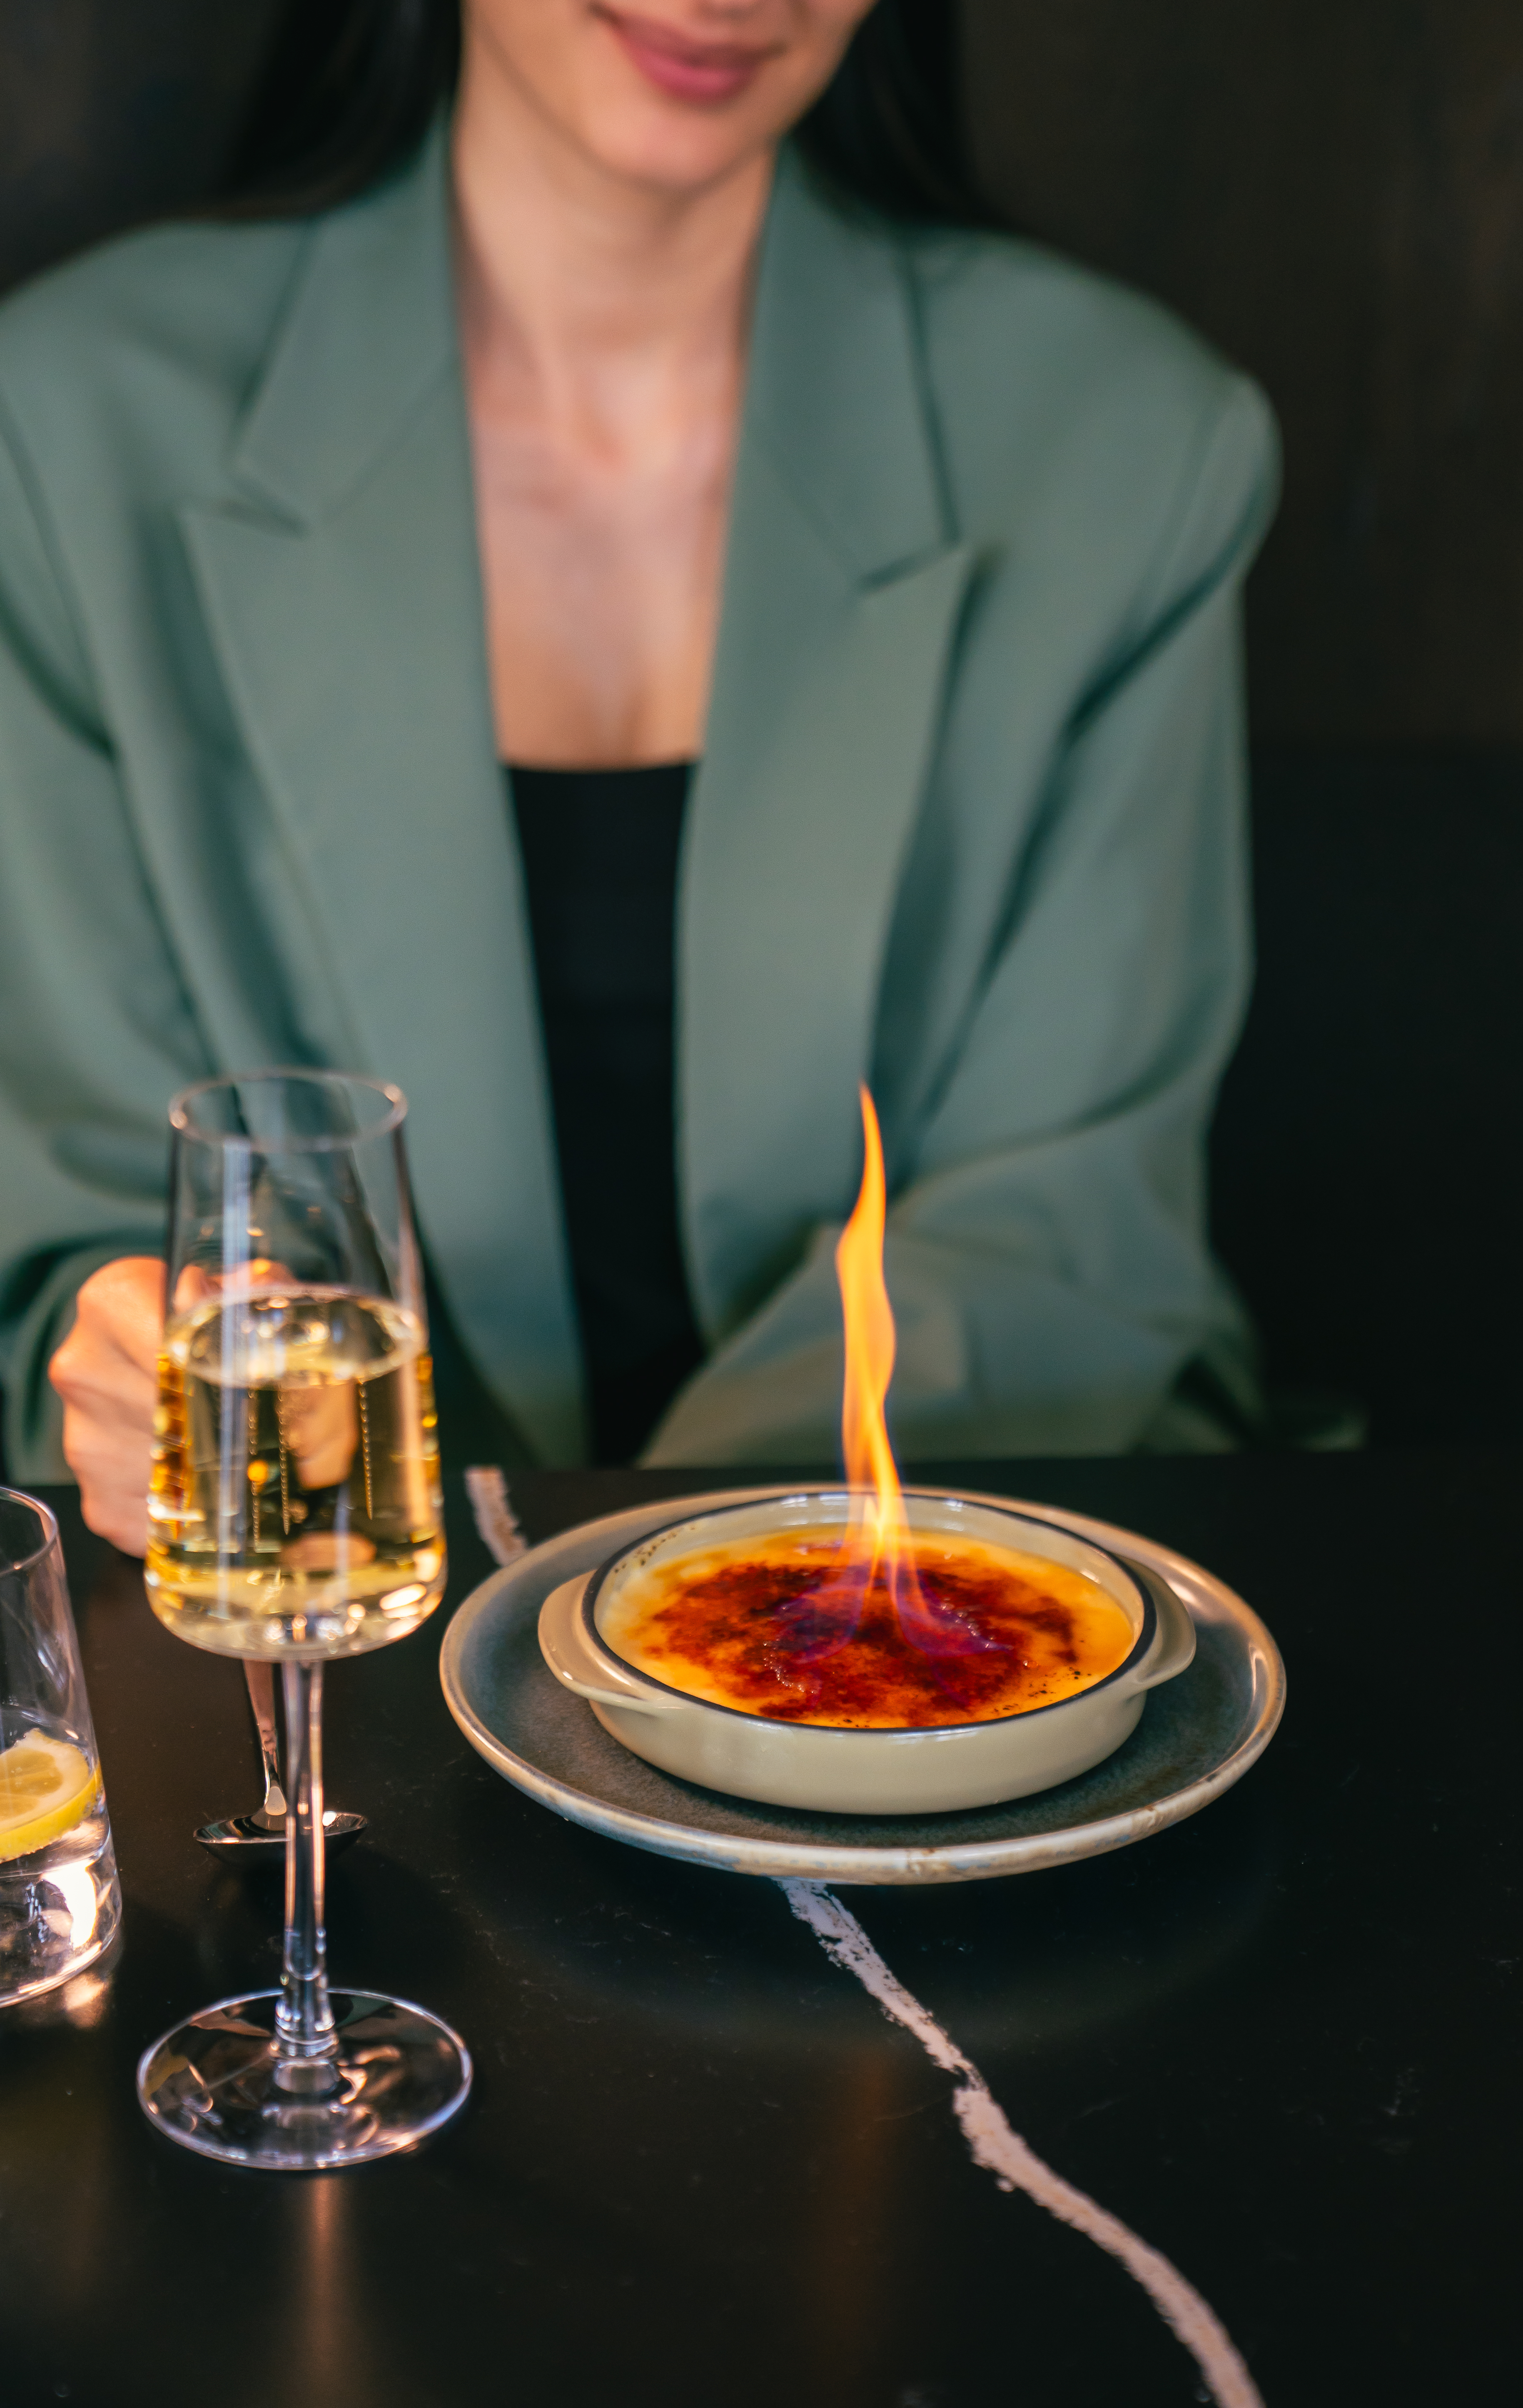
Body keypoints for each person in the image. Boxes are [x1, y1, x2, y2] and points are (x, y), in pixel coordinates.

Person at [0, 1, 1278, 1555]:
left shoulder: (1127, 442)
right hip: (318, 1590)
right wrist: (136, 1374)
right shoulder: (62, 434)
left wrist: (621, 1603)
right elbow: (70, 1228)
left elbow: (1062, 1234)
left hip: (948, 1566)